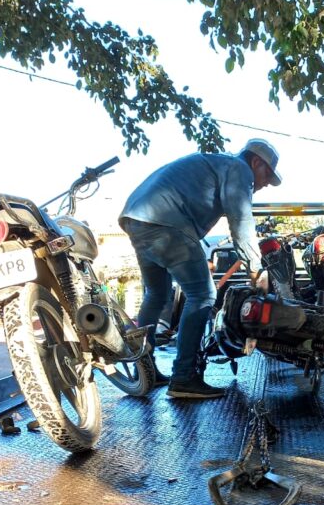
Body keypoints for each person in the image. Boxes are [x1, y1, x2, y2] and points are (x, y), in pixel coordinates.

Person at [119, 138, 282, 399]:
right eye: (267, 175)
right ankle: (184, 377)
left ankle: (145, 370)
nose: (264, 184)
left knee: (156, 294)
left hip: (137, 218)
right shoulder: (239, 170)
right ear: (255, 162)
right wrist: (255, 269)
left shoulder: (218, 165)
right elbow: (241, 220)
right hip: (165, 221)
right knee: (203, 294)